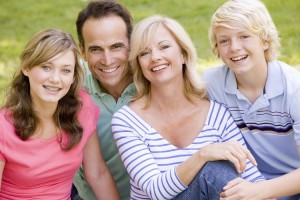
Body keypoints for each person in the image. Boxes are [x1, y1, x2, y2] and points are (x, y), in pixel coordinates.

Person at [111, 15, 265, 200]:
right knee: (213, 171)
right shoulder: (127, 121)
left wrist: (265, 192)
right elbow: (156, 190)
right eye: (144, 53)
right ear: (139, 64)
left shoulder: (216, 115)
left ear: (183, 54)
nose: (155, 57)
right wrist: (203, 154)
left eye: (164, 47)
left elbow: (251, 177)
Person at [0, 29, 120, 199]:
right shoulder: (3, 128)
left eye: (65, 70)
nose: (56, 79)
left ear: (73, 77)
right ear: (26, 67)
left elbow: (98, 173)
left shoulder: (82, 110)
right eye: (46, 67)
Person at [202, 0, 300, 199]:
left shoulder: (294, 89)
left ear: (265, 40)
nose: (234, 47)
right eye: (224, 41)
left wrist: (261, 191)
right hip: (247, 181)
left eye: (244, 36)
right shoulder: (211, 84)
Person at [73, 1, 134, 199]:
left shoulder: (153, 80)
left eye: (116, 47)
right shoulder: (70, 88)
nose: (107, 60)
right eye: (96, 49)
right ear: (82, 51)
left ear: (132, 45)